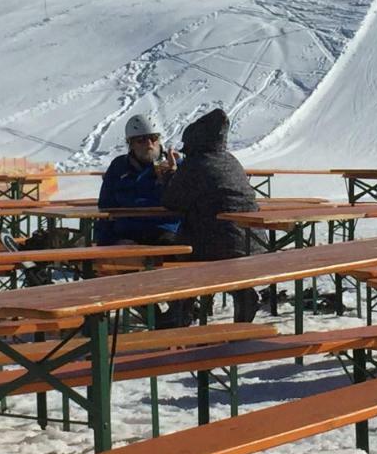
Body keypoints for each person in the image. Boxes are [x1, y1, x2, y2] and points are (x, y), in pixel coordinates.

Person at [160, 107, 260, 323]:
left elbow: (171, 201)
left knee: (178, 249)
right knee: (214, 238)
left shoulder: (195, 164)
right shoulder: (231, 161)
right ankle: (242, 293)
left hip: (215, 246)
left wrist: (170, 176)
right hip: (252, 243)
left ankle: (181, 309)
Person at [96, 114, 181, 245]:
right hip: (127, 232)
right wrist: (107, 241)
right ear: (131, 144)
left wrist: (173, 175)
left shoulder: (175, 164)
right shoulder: (119, 166)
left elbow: (187, 202)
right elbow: (106, 206)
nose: (149, 144)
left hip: (164, 230)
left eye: (153, 138)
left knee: (169, 246)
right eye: (141, 140)